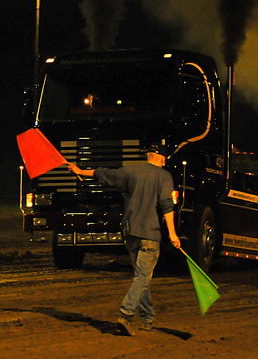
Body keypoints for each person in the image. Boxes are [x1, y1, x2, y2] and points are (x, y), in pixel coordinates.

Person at [67, 144, 181, 336]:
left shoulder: (131, 171)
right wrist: (172, 233)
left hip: (130, 233)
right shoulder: (164, 176)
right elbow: (166, 205)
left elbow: (104, 174)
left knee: (140, 276)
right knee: (143, 277)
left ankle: (147, 317)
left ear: (148, 156)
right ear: (161, 158)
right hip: (150, 235)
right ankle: (125, 314)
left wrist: (79, 171)